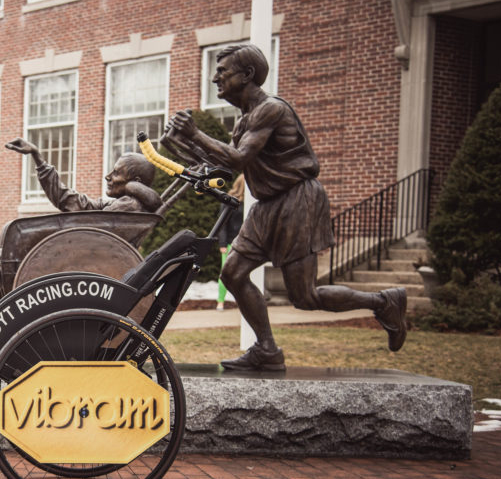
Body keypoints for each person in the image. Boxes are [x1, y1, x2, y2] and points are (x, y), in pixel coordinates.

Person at [168, 43, 407, 371]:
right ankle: (267, 349)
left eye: (222, 72)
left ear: (248, 75)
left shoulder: (272, 110)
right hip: (267, 206)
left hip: (297, 201)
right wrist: (181, 143)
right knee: (233, 273)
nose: (214, 79)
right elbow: (225, 166)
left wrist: (195, 132)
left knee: (305, 297)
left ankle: (384, 302)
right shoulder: (243, 123)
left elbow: (238, 157)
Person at [0, 138, 162, 322]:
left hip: (58, 270)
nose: (108, 177)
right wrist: (39, 159)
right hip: (61, 267)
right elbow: (68, 200)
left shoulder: (128, 208)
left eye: (117, 174)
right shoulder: (118, 205)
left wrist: (135, 189)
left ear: (134, 184)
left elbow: (81, 231)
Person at [215, 175, 245, 311]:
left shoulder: (252, 203)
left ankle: (243, 302)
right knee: (225, 274)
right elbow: (222, 224)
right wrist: (222, 244)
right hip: (230, 244)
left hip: (246, 244)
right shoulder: (230, 202)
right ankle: (220, 301)